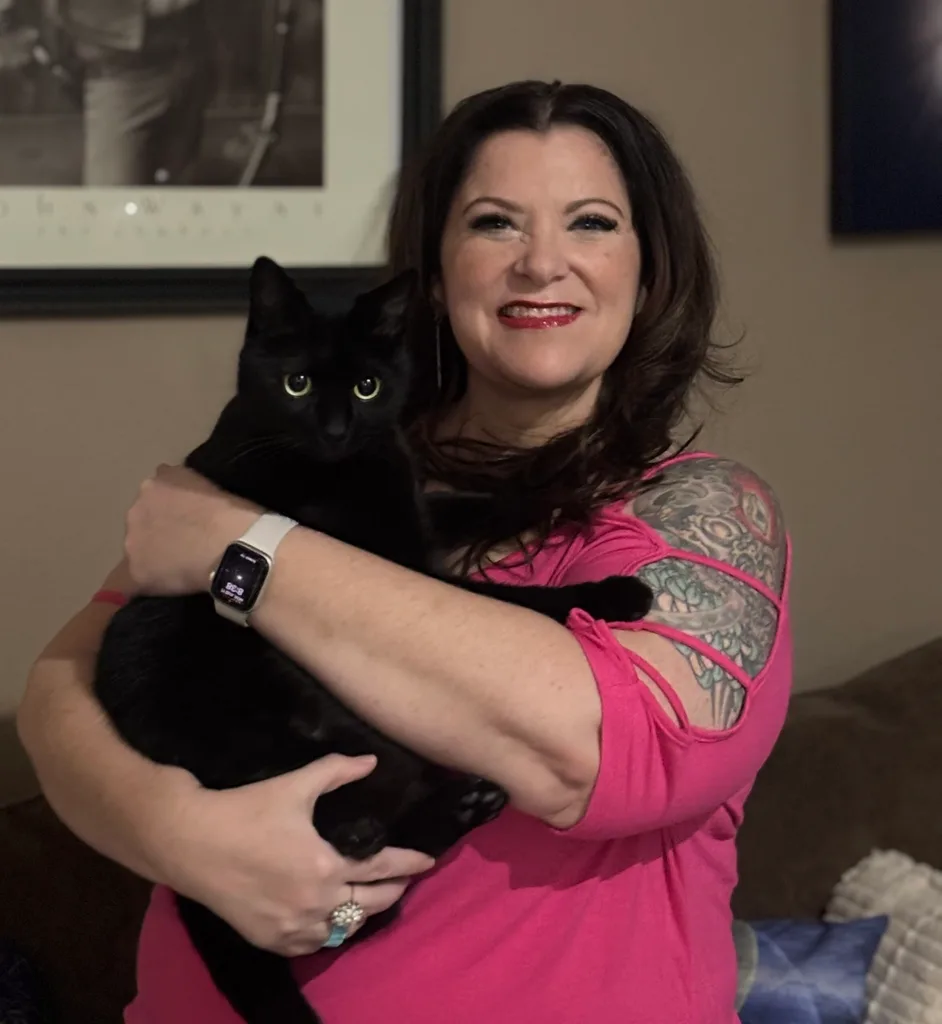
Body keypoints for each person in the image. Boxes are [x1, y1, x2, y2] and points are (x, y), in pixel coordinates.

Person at [17, 80, 792, 1022]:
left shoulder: (704, 513)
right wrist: (176, 832)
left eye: (590, 223)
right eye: (495, 225)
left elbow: (583, 752)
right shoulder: (310, 450)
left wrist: (246, 549)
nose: (541, 264)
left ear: (652, 269)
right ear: (434, 271)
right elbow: (60, 689)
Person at [0, 0, 211, 184]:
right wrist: (6, 23)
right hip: (117, 72)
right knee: (110, 208)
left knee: (179, 193)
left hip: (189, 52)